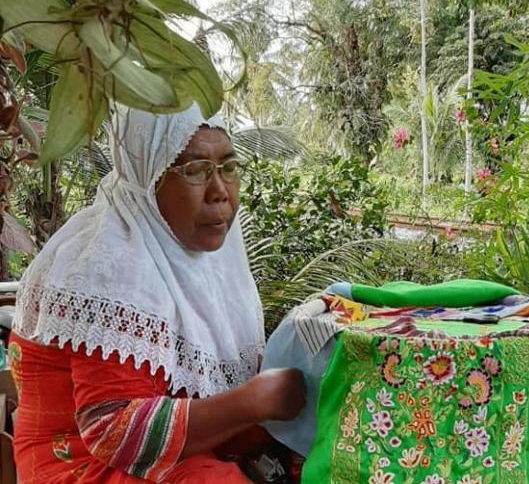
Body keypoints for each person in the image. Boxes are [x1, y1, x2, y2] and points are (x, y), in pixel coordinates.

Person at [7, 104, 305, 483]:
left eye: (229, 167)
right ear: (148, 177)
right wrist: (252, 402)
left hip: (165, 450)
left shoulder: (212, 264)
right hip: (82, 461)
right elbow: (112, 432)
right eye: (195, 170)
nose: (220, 191)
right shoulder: (109, 264)